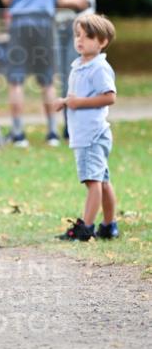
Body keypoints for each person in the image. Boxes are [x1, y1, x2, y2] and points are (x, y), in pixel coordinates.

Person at [54, 14, 118, 241]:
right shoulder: (80, 66)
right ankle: (109, 226)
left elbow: (109, 97)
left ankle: (86, 228)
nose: (80, 40)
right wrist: (66, 102)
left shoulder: (98, 68)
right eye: (77, 35)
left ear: (102, 42)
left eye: (88, 36)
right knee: (101, 180)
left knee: (92, 181)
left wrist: (78, 103)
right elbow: (79, 96)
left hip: (92, 134)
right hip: (86, 133)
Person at [1, 0, 62, 147]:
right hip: (45, 22)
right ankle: (53, 132)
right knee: (47, 79)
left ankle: (18, 134)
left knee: (16, 79)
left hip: (19, 22)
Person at [55, 0, 98, 139]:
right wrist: (68, 0)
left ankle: (81, 125)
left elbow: (79, 1)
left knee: (79, 78)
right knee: (64, 78)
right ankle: (68, 126)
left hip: (81, 30)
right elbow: (70, 1)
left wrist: (60, 0)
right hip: (60, 27)